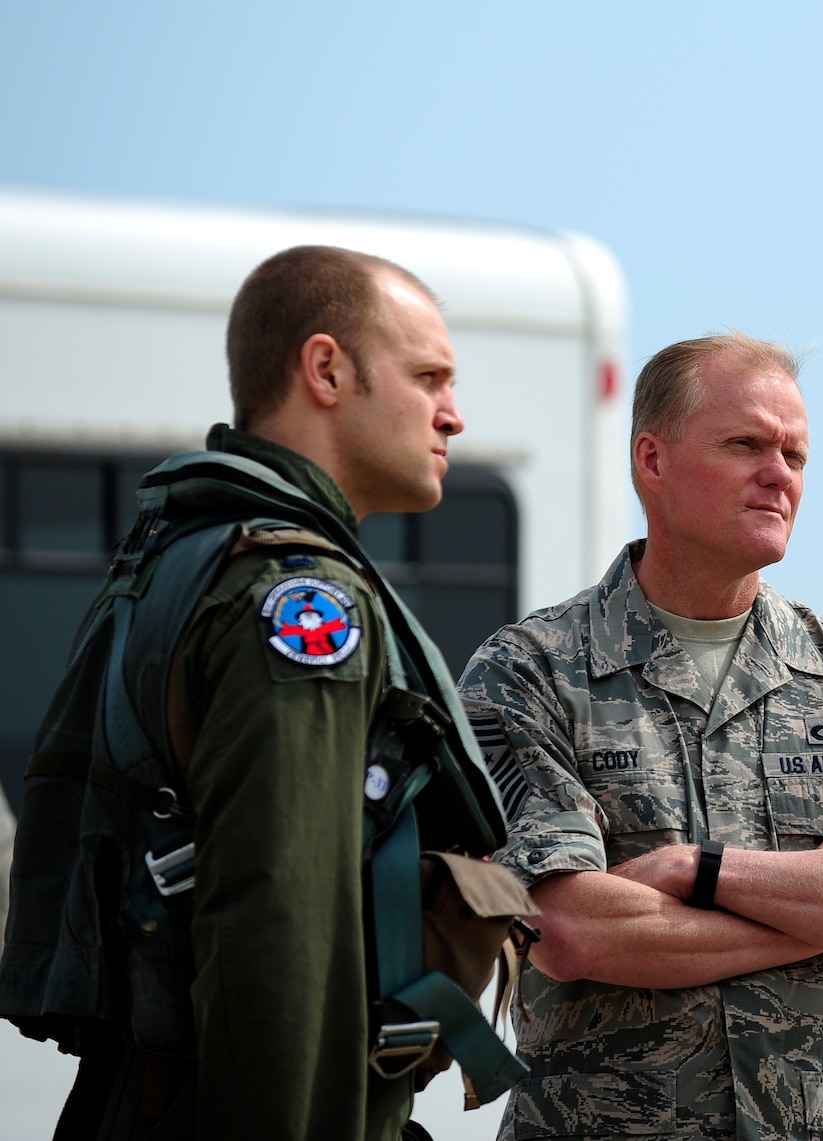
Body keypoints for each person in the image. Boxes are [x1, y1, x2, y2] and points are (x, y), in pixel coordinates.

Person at [2, 245, 521, 1138]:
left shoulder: (185, 558)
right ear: (326, 369)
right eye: (428, 375)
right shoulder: (297, 601)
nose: (454, 414)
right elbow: (281, 927)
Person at [459, 333, 823, 1141]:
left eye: (796, 455)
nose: (780, 474)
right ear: (652, 462)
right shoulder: (529, 673)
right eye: (746, 445)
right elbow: (567, 928)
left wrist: (688, 872)